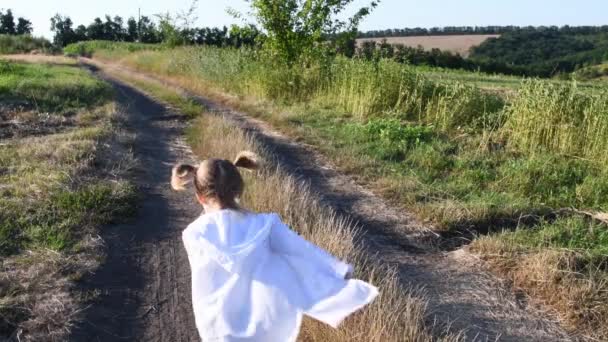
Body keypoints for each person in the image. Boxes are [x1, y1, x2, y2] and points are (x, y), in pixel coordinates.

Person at [172, 151, 379, 342]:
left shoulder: (193, 234)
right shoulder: (266, 225)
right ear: (239, 189)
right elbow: (302, 250)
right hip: (263, 323)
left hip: (216, 326)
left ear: (199, 196)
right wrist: (337, 270)